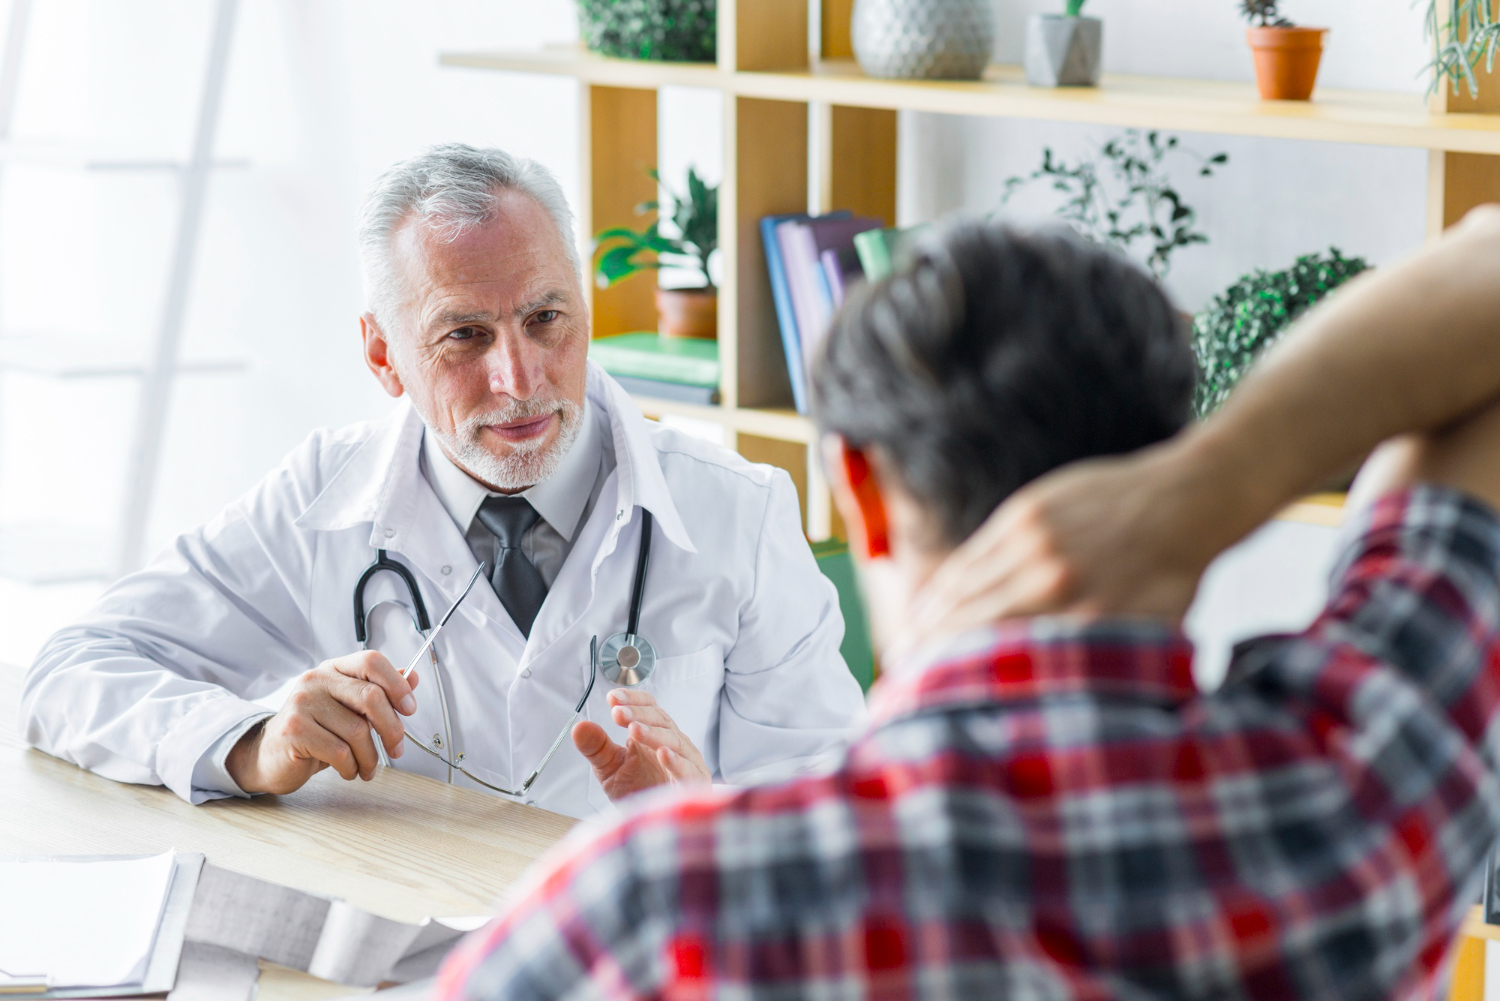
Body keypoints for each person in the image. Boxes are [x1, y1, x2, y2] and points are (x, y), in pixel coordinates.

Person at [436, 211, 1500, 1000]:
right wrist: (1215, 486)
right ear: (1164, 448)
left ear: (858, 490)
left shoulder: (653, 912)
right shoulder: (1352, 799)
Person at [19, 144, 866, 819]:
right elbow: (70, 672)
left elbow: (846, 826)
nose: (520, 379)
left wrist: (709, 820)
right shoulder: (320, 497)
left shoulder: (738, 511)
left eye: (546, 318)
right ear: (382, 354)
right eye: (464, 335)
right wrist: (252, 742)